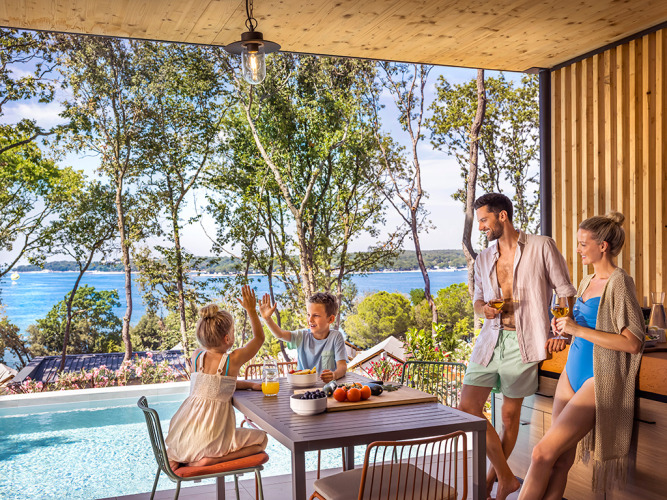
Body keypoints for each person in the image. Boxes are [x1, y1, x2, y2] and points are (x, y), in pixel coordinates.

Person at [457, 193, 577, 500]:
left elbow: (564, 291)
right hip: (490, 340)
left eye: (484, 220)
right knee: (467, 409)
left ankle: (492, 480)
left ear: (502, 216)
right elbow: (478, 300)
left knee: (510, 417)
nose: (481, 227)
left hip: (524, 341)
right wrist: (484, 309)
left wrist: (563, 332)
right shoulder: (484, 258)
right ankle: (507, 478)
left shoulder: (541, 246)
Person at [518, 212, 644, 499]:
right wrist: (564, 332)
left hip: (597, 377)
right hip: (571, 372)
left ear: (603, 246)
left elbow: (632, 343)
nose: (577, 249)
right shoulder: (587, 280)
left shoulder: (620, 282)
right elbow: (584, 328)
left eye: (583, 244)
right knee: (560, 461)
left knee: (540, 453)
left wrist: (576, 328)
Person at [166, 285, 268, 471]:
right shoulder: (232, 360)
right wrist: (251, 310)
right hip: (213, 436)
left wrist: (250, 385)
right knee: (261, 439)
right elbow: (259, 339)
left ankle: (193, 455)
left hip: (185, 433)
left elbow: (214, 384)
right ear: (227, 338)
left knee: (201, 442)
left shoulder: (197, 356)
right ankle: (209, 460)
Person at [259, 291, 347, 383]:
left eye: (316, 315)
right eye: (308, 315)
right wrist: (267, 319)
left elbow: (342, 366)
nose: (310, 319)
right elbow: (280, 334)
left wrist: (334, 375)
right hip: (301, 385)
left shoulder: (336, 337)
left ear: (331, 319)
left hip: (326, 387)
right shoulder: (302, 336)